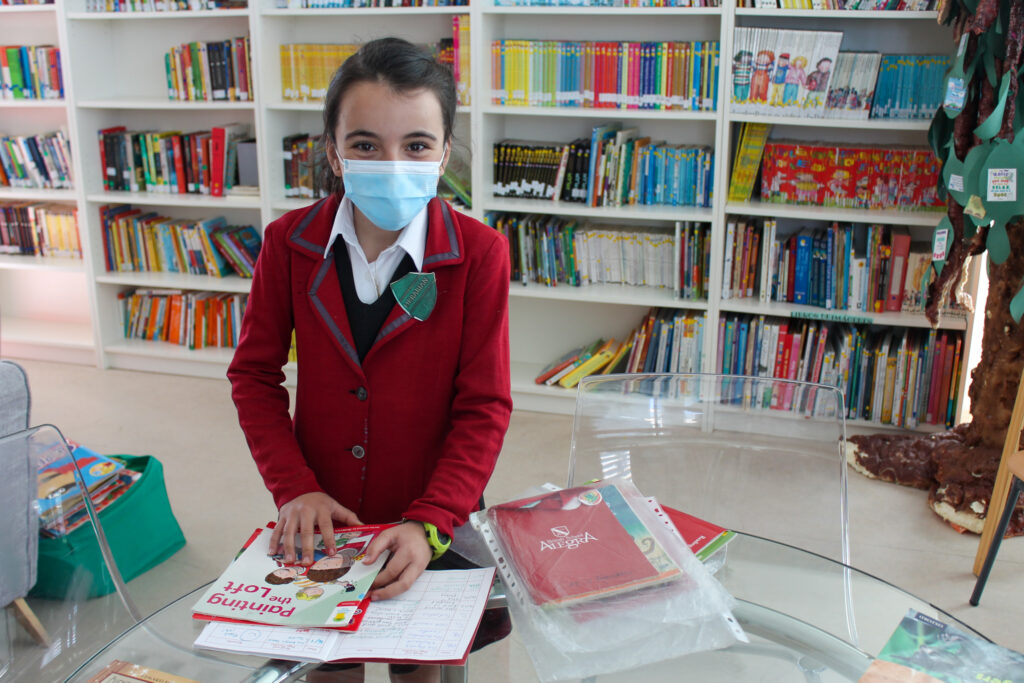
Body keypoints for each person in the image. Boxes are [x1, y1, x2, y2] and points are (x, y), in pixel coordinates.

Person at [227, 37, 513, 682]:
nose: (392, 162)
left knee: (417, 666)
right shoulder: (287, 243)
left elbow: (485, 405)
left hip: (431, 510)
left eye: (415, 145)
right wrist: (294, 486)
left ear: (443, 153)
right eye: (364, 145)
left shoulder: (479, 253)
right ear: (332, 151)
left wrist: (430, 522)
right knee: (328, 664)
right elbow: (253, 375)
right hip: (322, 513)